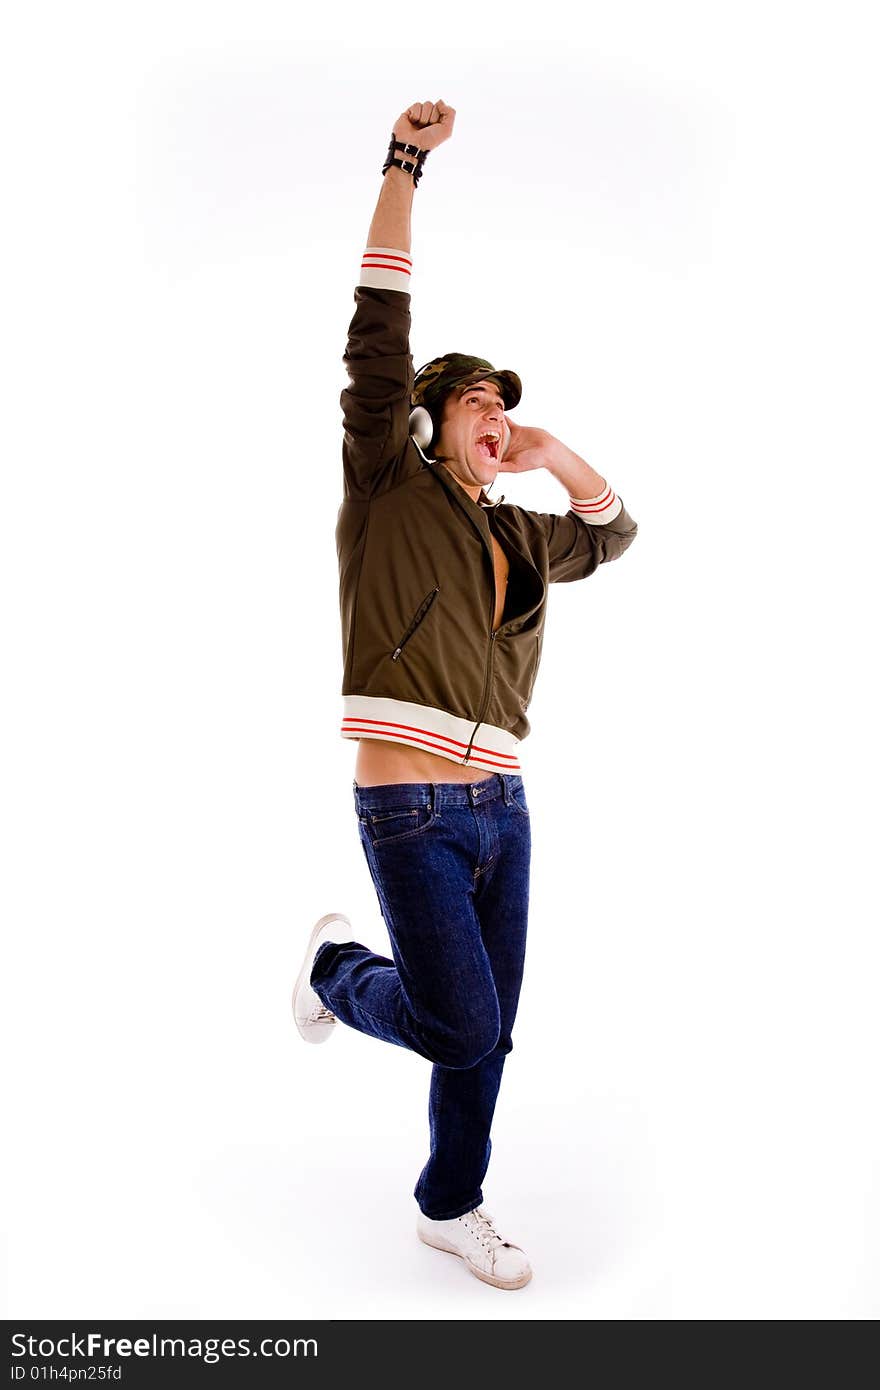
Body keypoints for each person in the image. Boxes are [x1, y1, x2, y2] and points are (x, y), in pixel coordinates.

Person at [292, 100, 638, 1291]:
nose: (496, 418)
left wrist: (551, 453)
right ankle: (339, 974)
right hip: (409, 808)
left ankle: (451, 1203)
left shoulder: (522, 539)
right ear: (433, 421)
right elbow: (377, 328)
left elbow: (616, 529)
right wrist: (402, 165)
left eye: (505, 405)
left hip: (503, 804)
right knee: (461, 1026)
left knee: (489, 1033)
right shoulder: (388, 479)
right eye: (480, 404)